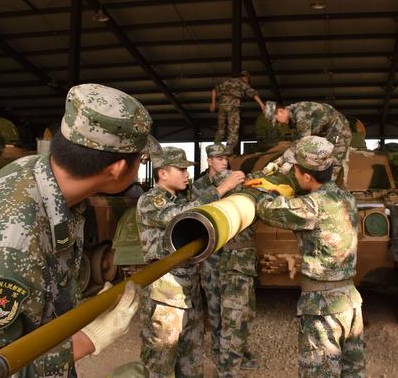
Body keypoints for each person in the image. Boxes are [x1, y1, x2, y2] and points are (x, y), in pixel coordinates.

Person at [0, 83, 150, 376]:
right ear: (117, 168)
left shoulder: (39, 173)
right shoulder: (14, 240)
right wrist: (88, 340)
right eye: (142, 158)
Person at [256, 136, 365, 377]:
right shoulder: (346, 197)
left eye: (296, 171)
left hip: (323, 307)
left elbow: (267, 210)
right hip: (350, 302)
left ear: (306, 176)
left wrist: (266, 189)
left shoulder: (312, 206)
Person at [137, 147, 244, 378]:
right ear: (163, 173)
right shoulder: (150, 200)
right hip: (165, 293)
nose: (187, 174)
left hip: (188, 289)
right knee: (161, 362)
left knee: (192, 360)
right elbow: (181, 215)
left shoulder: (180, 198)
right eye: (182, 169)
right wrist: (221, 189)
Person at [192, 143, 259, 377]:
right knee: (215, 310)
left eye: (226, 158)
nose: (224, 162)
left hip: (238, 257)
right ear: (209, 161)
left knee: (239, 312)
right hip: (212, 259)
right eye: (219, 158)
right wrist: (224, 187)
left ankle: (235, 358)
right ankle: (222, 353)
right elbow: (195, 210)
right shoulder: (199, 186)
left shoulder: (240, 181)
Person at [263, 101, 351, 183]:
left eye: (277, 120)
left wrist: (287, 160)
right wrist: (282, 159)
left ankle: (328, 191)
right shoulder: (292, 117)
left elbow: (304, 142)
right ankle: (319, 187)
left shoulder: (300, 114)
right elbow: (296, 142)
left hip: (339, 131)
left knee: (333, 162)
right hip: (325, 132)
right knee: (318, 160)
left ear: (281, 111)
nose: (279, 124)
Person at [210, 71, 265, 155]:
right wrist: (262, 105)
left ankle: (215, 149)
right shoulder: (242, 83)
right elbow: (253, 94)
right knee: (233, 129)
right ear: (245, 77)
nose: (248, 81)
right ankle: (228, 151)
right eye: (248, 80)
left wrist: (213, 103)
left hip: (222, 106)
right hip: (233, 106)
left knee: (220, 129)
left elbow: (214, 90)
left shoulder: (227, 81)